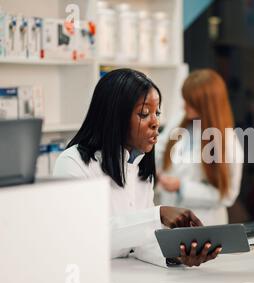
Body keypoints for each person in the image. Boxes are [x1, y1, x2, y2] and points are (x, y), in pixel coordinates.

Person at [53, 68, 221, 268]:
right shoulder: (73, 163)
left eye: (157, 113)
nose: (156, 122)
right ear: (115, 115)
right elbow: (87, 237)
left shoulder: (139, 167)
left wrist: (176, 255)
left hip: (129, 281)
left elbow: (141, 243)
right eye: (144, 113)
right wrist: (157, 215)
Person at [155, 69, 244, 226]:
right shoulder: (180, 120)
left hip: (205, 223)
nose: (184, 105)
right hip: (169, 218)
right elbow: (159, 149)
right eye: (185, 99)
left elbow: (227, 195)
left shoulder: (228, 142)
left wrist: (181, 187)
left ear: (207, 105)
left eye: (191, 102)